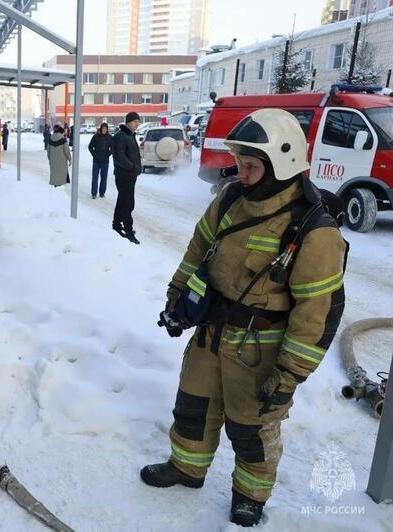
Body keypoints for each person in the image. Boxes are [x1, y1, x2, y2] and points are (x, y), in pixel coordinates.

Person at [142, 109, 347, 527]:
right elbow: (198, 249)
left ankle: (249, 495)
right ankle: (187, 467)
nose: (243, 173)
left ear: (283, 163)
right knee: (193, 407)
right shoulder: (231, 199)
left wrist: (289, 375)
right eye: (240, 163)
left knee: (252, 429)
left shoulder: (313, 229)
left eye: (252, 166)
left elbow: (316, 313)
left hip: (260, 348)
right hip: (211, 334)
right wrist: (176, 297)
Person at [111, 112, 142, 244]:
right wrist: (132, 166)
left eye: (138, 122)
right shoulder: (121, 136)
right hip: (124, 176)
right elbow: (119, 156)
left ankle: (117, 225)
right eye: (135, 121)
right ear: (128, 122)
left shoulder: (130, 136)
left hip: (130, 175)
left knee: (122, 201)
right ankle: (128, 231)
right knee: (128, 204)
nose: (137, 124)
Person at [88, 122, 112, 199]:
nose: (104, 130)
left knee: (104, 178)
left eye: (106, 129)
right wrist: (94, 155)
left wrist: (107, 154)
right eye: (103, 129)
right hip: (96, 161)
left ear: (107, 129)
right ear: (101, 129)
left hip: (105, 161)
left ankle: (102, 193)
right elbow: (90, 147)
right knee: (95, 178)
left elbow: (112, 148)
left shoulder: (109, 137)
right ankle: (94, 193)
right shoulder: (95, 137)